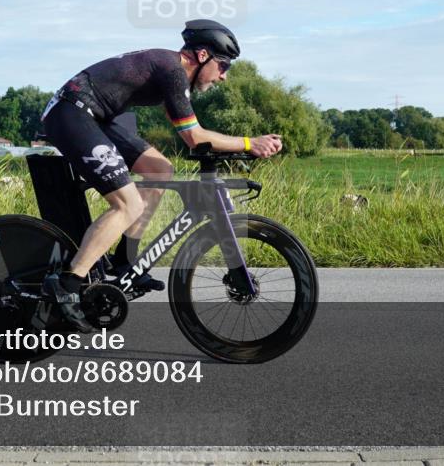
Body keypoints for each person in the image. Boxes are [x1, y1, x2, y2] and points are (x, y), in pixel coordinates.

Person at [40, 19, 283, 332]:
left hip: (95, 115)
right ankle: (68, 284)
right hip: (71, 112)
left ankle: (125, 259)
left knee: (160, 170)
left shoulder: (171, 71)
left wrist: (238, 146)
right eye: (224, 66)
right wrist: (250, 143)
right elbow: (195, 138)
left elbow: (190, 132)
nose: (223, 77)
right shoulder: (172, 70)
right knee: (128, 205)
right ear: (203, 55)